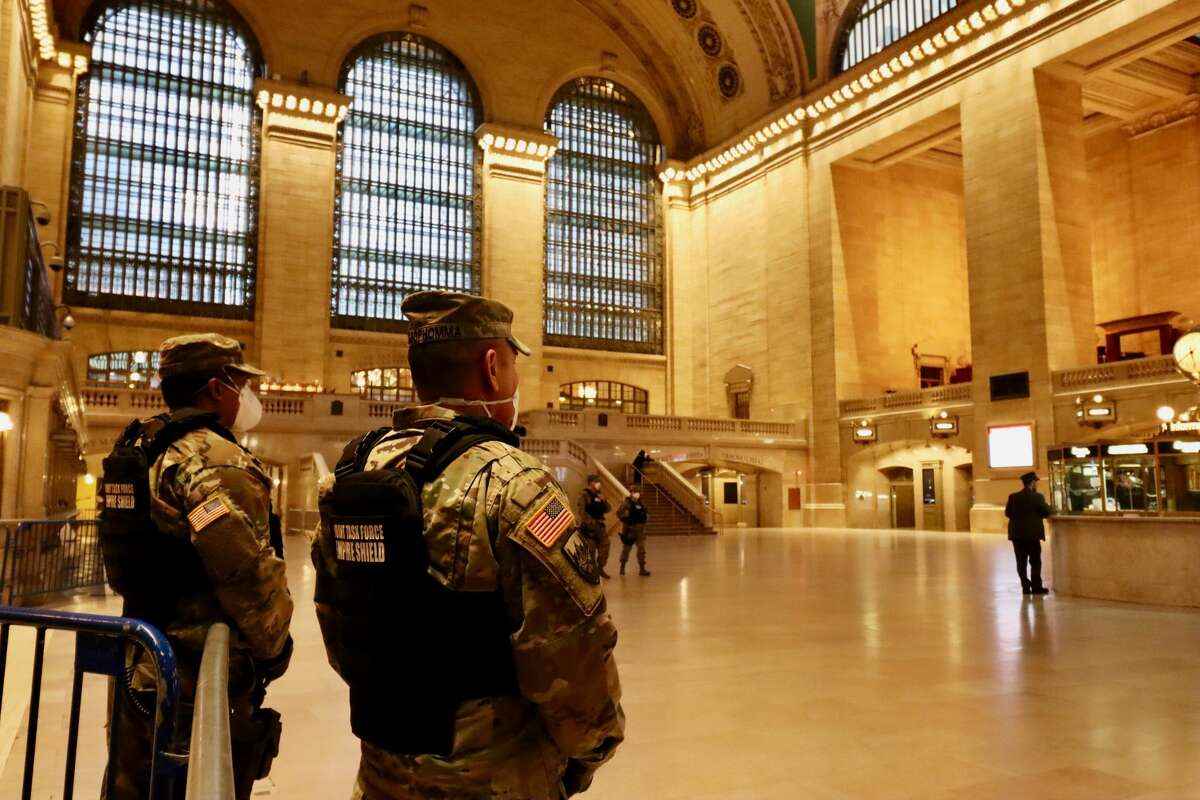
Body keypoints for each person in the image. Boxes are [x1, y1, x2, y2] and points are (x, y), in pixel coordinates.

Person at [311, 291, 624, 800]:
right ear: (492, 367)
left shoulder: (353, 473)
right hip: (495, 779)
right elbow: (569, 655)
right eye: (514, 367)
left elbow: (338, 624)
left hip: (381, 773)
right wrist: (590, 753)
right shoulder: (515, 482)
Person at [99, 334, 293, 799]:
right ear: (216, 388)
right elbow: (243, 569)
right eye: (242, 384)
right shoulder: (213, 462)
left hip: (140, 659)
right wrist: (275, 644)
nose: (250, 396)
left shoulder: (140, 445)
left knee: (133, 784)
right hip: (192, 674)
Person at [1005, 471, 1052, 595]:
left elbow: (1008, 513)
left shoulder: (1013, 497)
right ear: (1032, 483)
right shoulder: (1038, 497)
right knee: (1035, 561)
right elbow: (1047, 512)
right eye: (1036, 482)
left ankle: (1025, 586)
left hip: (1017, 535)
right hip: (1032, 535)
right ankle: (1036, 587)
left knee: (1021, 562)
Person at [581, 475, 613, 579]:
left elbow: (608, 509)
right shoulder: (585, 495)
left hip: (600, 526)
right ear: (590, 482)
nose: (599, 483)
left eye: (599, 481)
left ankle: (600, 568)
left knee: (605, 547)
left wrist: (604, 500)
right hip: (590, 527)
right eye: (596, 481)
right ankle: (592, 571)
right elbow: (582, 511)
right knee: (591, 550)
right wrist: (588, 521)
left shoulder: (600, 495)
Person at [616, 487, 650, 577]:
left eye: (638, 492)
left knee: (641, 549)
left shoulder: (641, 503)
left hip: (640, 530)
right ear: (631, 493)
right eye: (635, 492)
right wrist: (625, 517)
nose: (637, 494)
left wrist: (645, 520)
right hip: (630, 530)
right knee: (626, 550)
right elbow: (619, 513)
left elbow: (646, 513)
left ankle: (642, 568)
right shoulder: (626, 503)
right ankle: (622, 566)